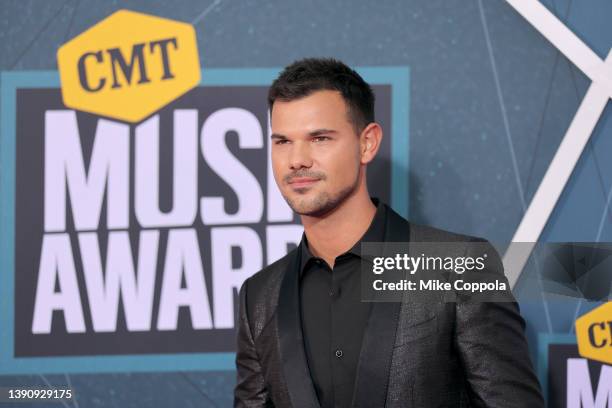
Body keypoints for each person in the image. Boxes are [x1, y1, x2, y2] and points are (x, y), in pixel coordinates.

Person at [234, 58, 543, 407]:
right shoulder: (259, 298)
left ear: (367, 143)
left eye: (319, 138)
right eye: (282, 142)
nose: (296, 160)